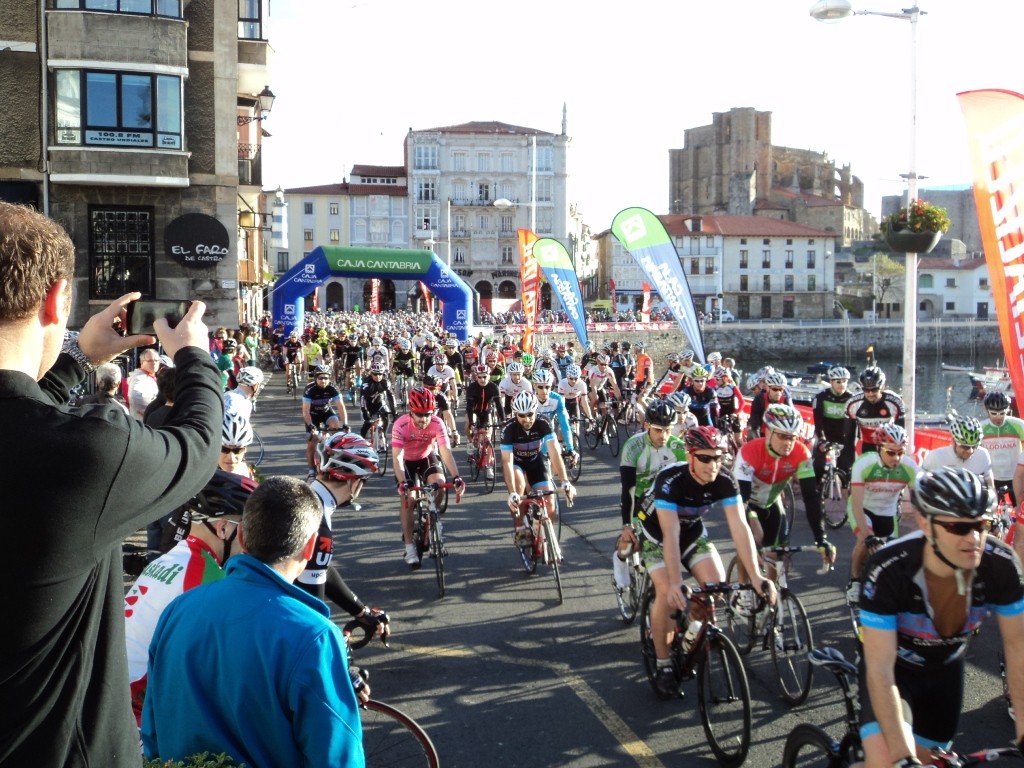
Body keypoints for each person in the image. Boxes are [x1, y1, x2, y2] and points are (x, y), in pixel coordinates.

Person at [0, 202, 222, 766]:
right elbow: (197, 449)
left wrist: (77, 356)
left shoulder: (53, 447)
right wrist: (193, 355)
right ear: (57, 299)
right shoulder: (82, 454)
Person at [141, 476, 366, 767]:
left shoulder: (179, 609)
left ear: (243, 537)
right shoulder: (315, 635)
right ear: (309, 548)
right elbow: (337, 757)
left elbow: (152, 729)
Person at [858, 468, 1024, 768]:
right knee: (886, 761)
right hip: (894, 671)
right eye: (957, 527)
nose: (974, 537)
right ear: (925, 522)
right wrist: (901, 757)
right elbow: (880, 668)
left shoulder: (1001, 565)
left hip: (944, 671)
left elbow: (1018, 649)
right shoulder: (888, 568)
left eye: (981, 524)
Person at [637, 426, 776, 699]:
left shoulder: (725, 479)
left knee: (715, 591)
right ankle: (663, 663)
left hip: (692, 532)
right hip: (657, 535)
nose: (712, 465)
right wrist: (677, 582)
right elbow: (670, 533)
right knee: (667, 592)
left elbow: (739, 527)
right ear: (690, 456)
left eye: (718, 458)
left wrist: (758, 576)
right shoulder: (671, 480)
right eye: (704, 458)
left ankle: (690, 628)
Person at [125, 470, 255, 726]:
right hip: (134, 715)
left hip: (112, 694)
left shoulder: (175, 555)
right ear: (222, 528)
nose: (252, 545)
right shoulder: (206, 578)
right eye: (249, 531)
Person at [733, 403, 836, 574]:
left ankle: (774, 597)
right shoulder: (750, 452)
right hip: (747, 503)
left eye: (792, 437)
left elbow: (811, 497)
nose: (788, 443)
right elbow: (740, 500)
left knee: (780, 557)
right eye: (782, 436)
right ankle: (744, 591)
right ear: (768, 432)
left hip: (772, 503)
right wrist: (749, 524)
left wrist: (821, 539)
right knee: (753, 540)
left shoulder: (801, 454)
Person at [614, 400, 689, 593]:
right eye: (658, 430)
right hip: (639, 500)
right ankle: (620, 560)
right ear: (647, 425)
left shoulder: (678, 447)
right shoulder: (633, 447)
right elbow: (628, 489)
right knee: (633, 541)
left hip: (665, 500)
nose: (663, 436)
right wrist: (627, 525)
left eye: (668, 430)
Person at [845, 423, 919, 607]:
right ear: (879, 449)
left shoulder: (909, 467)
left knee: (891, 554)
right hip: (863, 508)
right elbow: (856, 504)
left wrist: (925, 534)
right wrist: (869, 536)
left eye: (901, 452)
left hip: (887, 512)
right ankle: (854, 582)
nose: (897, 458)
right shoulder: (864, 464)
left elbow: (920, 506)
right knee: (864, 540)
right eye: (891, 453)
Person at [392, 387, 465, 568]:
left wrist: (456, 477)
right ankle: (409, 546)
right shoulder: (400, 425)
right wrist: (402, 482)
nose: (424, 419)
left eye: (428, 414)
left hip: (426, 457)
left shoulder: (437, 423)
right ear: (411, 410)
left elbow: (445, 452)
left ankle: (430, 518)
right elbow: (397, 458)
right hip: (406, 462)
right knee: (408, 499)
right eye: (419, 414)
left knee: (439, 485)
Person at [501, 390, 576, 545]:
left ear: (535, 410)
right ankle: (520, 526)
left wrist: (565, 481)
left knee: (549, 499)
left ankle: (542, 530)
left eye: (530, 414)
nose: (527, 419)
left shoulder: (544, 423)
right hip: (517, 462)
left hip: (536, 460)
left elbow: (554, 453)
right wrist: (513, 492)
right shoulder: (508, 429)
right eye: (521, 415)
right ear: (515, 414)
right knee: (519, 487)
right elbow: (507, 462)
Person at [921, 413, 996, 495]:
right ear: (953, 441)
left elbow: (991, 489)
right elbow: (920, 487)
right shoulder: (935, 457)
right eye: (965, 447)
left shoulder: (983, 454)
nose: (970, 451)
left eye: (975, 446)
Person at [811, 365, 856, 490]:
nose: (842, 384)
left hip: (844, 437)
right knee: (818, 467)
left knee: (846, 470)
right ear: (831, 382)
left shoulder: (851, 398)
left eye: (845, 381)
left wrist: (851, 444)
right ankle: (817, 494)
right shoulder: (821, 397)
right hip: (825, 434)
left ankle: (847, 501)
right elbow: (818, 422)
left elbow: (854, 424)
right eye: (838, 381)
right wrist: (821, 439)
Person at [845, 365, 906, 455]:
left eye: (874, 389)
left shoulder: (894, 402)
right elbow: (848, 435)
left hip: (887, 446)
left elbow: (900, 432)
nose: (870, 393)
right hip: (865, 444)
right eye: (866, 390)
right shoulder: (853, 403)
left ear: (882, 386)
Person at [302, 363, 348, 479]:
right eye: (321, 378)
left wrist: (345, 423)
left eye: (326, 378)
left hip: (326, 412)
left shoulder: (333, 387)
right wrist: (310, 425)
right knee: (312, 442)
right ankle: (311, 470)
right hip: (313, 415)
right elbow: (306, 411)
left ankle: (336, 461)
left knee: (337, 430)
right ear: (315, 378)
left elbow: (341, 407)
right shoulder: (309, 389)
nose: (323, 381)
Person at [980, 390, 1024, 507]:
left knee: (1020, 510)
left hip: (1016, 477)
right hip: (992, 477)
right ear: (986, 411)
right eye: (993, 413)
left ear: (1008, 410)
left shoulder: (1019, 425)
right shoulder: (981, 427)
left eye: (1002, 413)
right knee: (991, 514)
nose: (998, 417)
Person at [127, 347, 163, 419]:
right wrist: (155, 411)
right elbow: (135, 396)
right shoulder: (139, 378)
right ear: (142, 362)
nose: (154, 363)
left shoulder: (149, 376)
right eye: (150, 361)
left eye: (156, 360)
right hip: (142, 423)